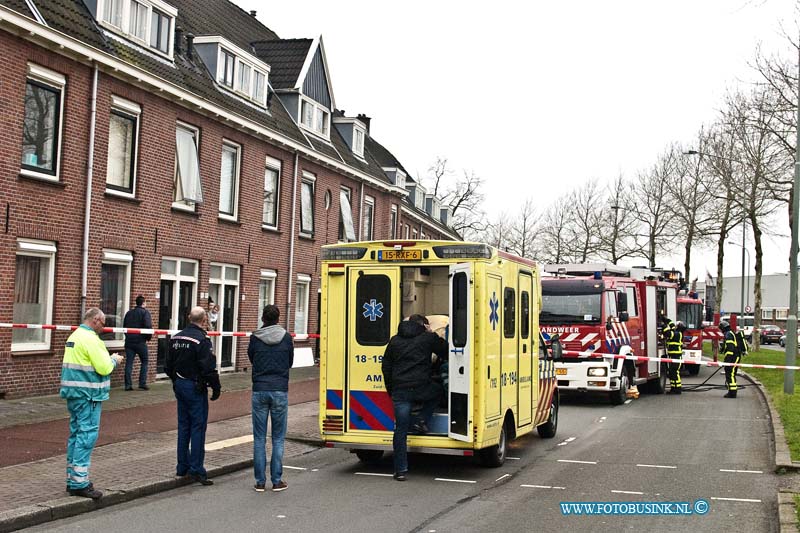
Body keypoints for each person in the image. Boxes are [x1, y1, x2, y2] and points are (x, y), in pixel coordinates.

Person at [60, 308, 124, 499]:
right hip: (89, 395)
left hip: (74, 393)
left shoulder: (75, 336)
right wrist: (114, 359)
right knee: (86, 437)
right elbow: (104, 368)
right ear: (96, 320)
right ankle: (80, 483)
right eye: (103, 323)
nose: (103, 328)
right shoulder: (92, 340)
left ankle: (73, 479)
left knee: (75, 435)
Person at [381, 314, 448, 481]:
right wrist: (431, 332)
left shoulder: (394, 340)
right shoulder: (427, 338)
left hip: (400, 390)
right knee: (438, 391)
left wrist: (391, 389)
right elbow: (446, 350)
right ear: (424, 325)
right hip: (421, 387)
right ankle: (420, 420)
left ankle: (400, 470)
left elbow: (386, 366)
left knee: (401, 431)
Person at [165, 306, 221, 485]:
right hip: (195, 387)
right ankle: (196, 469)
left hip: (180, 385)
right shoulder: (202, 340)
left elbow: (167, 366)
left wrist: (176, 380)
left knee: (183, 426)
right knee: (197, 427)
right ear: (204, 319)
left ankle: (182, 466)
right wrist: (215, 386)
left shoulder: (175, 338)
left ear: (189, 317)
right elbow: (208, 367)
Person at [248, 304, 294, 492]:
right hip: (279, 390)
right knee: (278, 438)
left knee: (259, 438)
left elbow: (252, 358)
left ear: (262, 318)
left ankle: (260, 482)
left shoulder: (255, 338)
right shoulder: (287, 338)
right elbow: (290, 361)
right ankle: (277, 480)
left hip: (259, 389)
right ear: (278, 318)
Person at [123, 295, 153, 391]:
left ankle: (128, 385)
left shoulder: (128, 313)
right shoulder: (145, 313)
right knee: (144, 361)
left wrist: (128, 337)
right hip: (140, 342)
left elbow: (124, 327)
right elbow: (148, 326)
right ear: (143, 303)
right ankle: (142, 383)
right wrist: (148, 338)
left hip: (129, 342)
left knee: (129, 363)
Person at [719, 320, 741, 398]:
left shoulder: (728, 334)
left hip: (733, 356)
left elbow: (730, 348)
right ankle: (732, 390)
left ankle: (732, 393)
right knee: (731, 373)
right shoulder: (730, 333)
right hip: (735, 356)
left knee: (730, 373)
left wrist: (728, 359)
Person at [662, 318, 684, 394]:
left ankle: (677, 389)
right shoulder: (678, 333)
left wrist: (664, 326)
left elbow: (667, 333)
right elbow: (673, 328)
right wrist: (668, 321)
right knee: (672, 372)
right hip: (674, 356)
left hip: (676, 357)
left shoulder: (677, 334)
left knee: (674, 372)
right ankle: (674, 388)